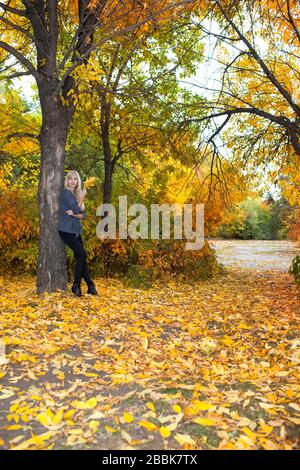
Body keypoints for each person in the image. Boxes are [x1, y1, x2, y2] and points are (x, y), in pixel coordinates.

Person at [57, 170, 98, 296]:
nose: (72, 181)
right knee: (82, 254)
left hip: (75, 230)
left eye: (75, 179)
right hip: (65, 230)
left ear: (78, 181)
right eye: (70, 179)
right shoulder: (66, 193)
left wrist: (74, 213)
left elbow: (83, 215)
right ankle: (76, 285)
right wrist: (81, 199)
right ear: (67, 180)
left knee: (81, 257)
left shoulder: (76, 194)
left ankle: (90, 286)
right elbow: (77, 209)